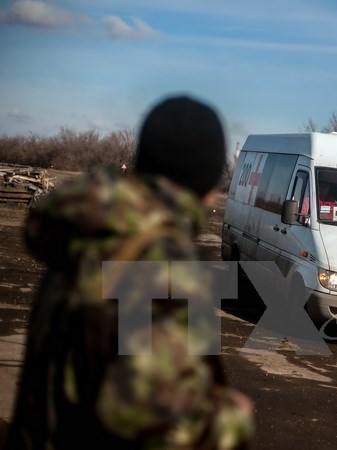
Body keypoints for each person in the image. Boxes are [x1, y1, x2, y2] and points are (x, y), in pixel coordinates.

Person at [6, 96, 254, 449]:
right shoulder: (156, 257)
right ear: (206, 182)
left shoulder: (90, 233)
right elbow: (153, 420)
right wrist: (231, 420)